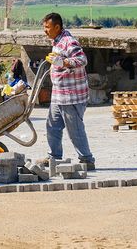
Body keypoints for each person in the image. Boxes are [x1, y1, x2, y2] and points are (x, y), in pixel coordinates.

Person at [40, 12, 96, 170]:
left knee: (75, 129)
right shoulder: (57, 41)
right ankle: (54, 157)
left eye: (47, 28)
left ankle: (87, 159)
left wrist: (61, 61)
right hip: (59, 94)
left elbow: (82, 60)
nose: (45, 31)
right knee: (52, 125)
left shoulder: (68, 41)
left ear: (57, 27)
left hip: (72, 95)